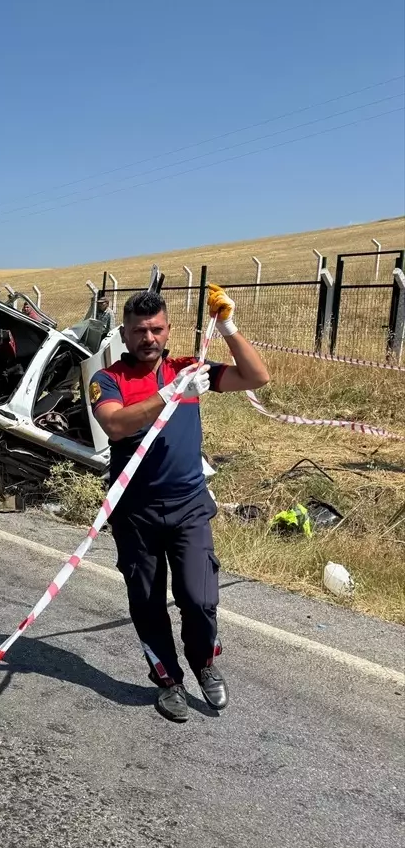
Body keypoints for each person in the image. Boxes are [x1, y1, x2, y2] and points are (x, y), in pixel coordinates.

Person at [89, 283, 269, 723]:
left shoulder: (188, 369)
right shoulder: (107, 379)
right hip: (136, 512)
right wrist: (167, 395)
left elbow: (256, 377)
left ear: (168, 330)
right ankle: (168, 680)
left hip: (189, 506)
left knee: (199, 597)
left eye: (156, 329)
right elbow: (115, 424)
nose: (148, 338)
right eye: (138, 331)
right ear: (124, 334)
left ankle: (204, 663)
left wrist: (227, 327)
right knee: (147, 602)